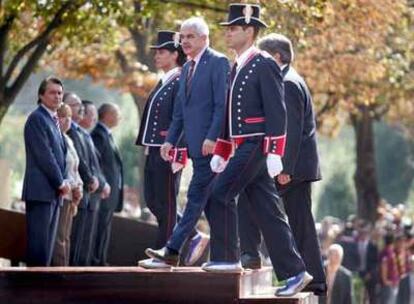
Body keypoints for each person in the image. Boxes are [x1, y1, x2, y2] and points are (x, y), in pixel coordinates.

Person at [203, 3, 311, 296]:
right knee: (269, 213)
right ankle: (295, 272)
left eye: (234, 28)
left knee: (219, 194)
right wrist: (223, 150)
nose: (227, 33)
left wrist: (275, 150)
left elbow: (277, 111)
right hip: (243, 145)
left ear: (249, 31)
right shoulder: (237, 64)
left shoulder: (264, 63)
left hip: (257, 144)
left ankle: (225, 258)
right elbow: (230, 112)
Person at [237, 32, 326, 295]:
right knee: (301, 223)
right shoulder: (291, 79)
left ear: (277, 57)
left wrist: (284, 168)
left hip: (290, 169)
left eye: (263, 57)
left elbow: (290, 129)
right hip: (299, 167)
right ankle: (316, 278)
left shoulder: (286, 83)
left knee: (251, 199)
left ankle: (250, 255)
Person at [142, 17, 229, 268]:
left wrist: (212, 137)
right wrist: (170, 141)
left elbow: (220, 104)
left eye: (191, 36)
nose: (185, 41)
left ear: (205, 38)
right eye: (183, 36)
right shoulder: (188, 68)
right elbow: (180, 112)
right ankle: (224, 256)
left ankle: (171, 251)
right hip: (192, 146)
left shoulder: (218, 62)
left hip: (210, 147)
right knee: (210, 202)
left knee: (195, 198)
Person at [136, 30, 209, 268]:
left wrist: (180, 149)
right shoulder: (165, 79)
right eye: (156, 51)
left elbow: (186, 117)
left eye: (163, 51)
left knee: (166, 204)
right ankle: (191, 235)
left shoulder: (181, 78)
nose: (157, 55)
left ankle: (165, 255)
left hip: (168, 151)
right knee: (153, 201)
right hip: (154, 149)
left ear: (175, 54)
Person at [22, 76, 70, 266]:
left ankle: (42, 291)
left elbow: (61, 156)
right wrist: (60, 182)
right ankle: (32, 292)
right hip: (40, 192)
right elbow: (45, 155)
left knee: (48, 249)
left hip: (53, 193)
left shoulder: (53, 120)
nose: (57, 96)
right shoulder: (37, 119)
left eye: (60, 93)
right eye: (52, 92)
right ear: (41, 95)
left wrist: (63, 182)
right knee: (39, 248)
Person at [63, 92, 99, 266]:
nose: (81, 108)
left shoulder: (82, 133)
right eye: (76, 104)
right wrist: (89, 178)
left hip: (85, 191)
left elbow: (90, 162)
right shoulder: (68, 130)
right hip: (74, 190)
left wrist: (95, 179)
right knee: (70, 237)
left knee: (79, 241)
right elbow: (80, 161)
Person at [78, 100, 110, 265]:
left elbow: (97, 166)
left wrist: (103, 183)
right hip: (85, 191)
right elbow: (85, 164)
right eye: (91, 114)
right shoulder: (85, 135)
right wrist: (94, 180)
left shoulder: (86, 136)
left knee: (86, 239)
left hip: (94, 192)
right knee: (78, 239)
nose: (93, 119)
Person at [91, 103, 124, 266]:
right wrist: (103, 184)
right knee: (99, 227)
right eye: (116, 113)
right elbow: (97, 164)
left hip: (111, 193)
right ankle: (96, 260)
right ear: (107, 115)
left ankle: (101, 260)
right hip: (103, 191)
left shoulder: (108, 135)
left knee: (105, 228)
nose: (119, 117)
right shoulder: (98, 135)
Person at [52, 103, 83, 266]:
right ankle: (59, 271)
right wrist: (73, 185)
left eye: (69, 117)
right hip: (64, 193)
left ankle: (66, 269)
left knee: (66, 236)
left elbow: (75, 167)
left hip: (73, 195)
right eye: (63, 116)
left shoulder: (69, 139)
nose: (67, 120)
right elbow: (61, 167)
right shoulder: (56, 138)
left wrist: (79, 186)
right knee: (59, 237)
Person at [379, 234, 400, 304]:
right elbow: (383, 266)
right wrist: (385, 280)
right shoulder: (386, 252)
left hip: (393, 283)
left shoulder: (391, 251)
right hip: (388, 285)